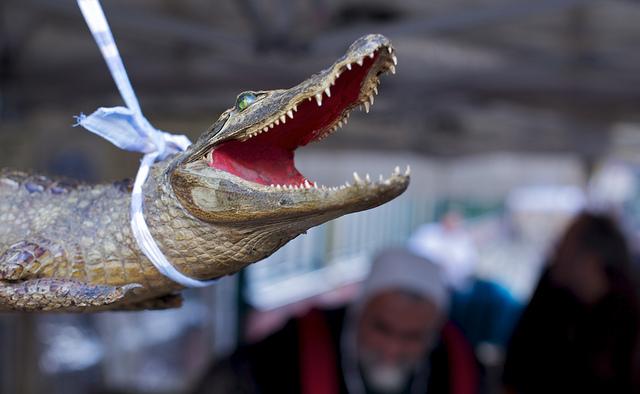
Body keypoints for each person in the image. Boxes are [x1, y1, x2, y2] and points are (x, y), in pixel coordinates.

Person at [193, 248, 479, 394]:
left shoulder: (459, 364)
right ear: (360, 312)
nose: (393, 349)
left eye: (412, 336)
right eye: (382, 328)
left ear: (433, 333)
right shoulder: (289, 348)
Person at [502, 211, 640, 394]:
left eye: (565, 244)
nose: (556, 251)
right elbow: (514, 371)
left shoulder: (627, 317)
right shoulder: (549, 297)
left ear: (590, 259)